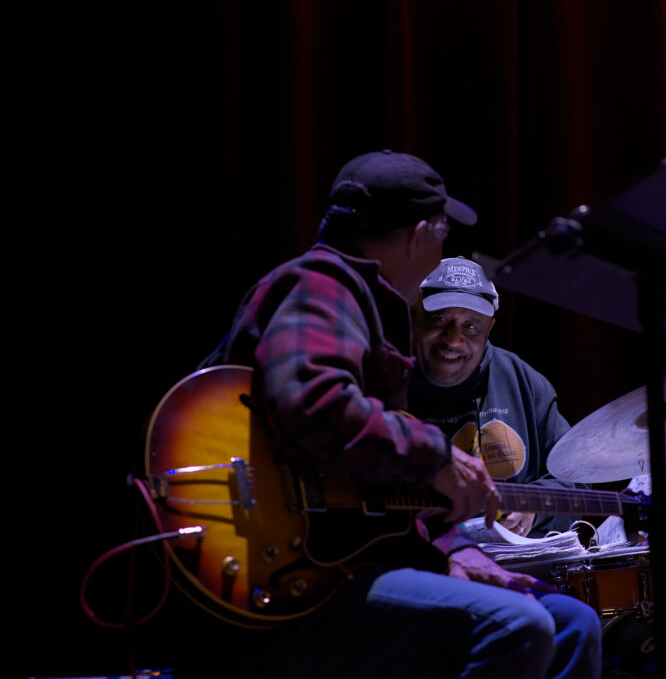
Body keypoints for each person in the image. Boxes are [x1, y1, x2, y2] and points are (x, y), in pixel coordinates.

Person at [179, 150, 602, 678]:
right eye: (442, 234)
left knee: (572, 623)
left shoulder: (365, 312)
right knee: (517, 625)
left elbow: (370, 484)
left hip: (348, 561)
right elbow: (314, 404)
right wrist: (434, 454)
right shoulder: (322, 286)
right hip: (291, 573)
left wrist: (451, 551)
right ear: (419, 234)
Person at [408, 257, 587, 538]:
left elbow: (576, 478)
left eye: (471, 326)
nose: (453, 340)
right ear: (414, 313)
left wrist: (533, 506)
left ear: (489, 328)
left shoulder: (523, 381)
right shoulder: (386, 379)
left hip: (514, 565)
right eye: (439, 319)